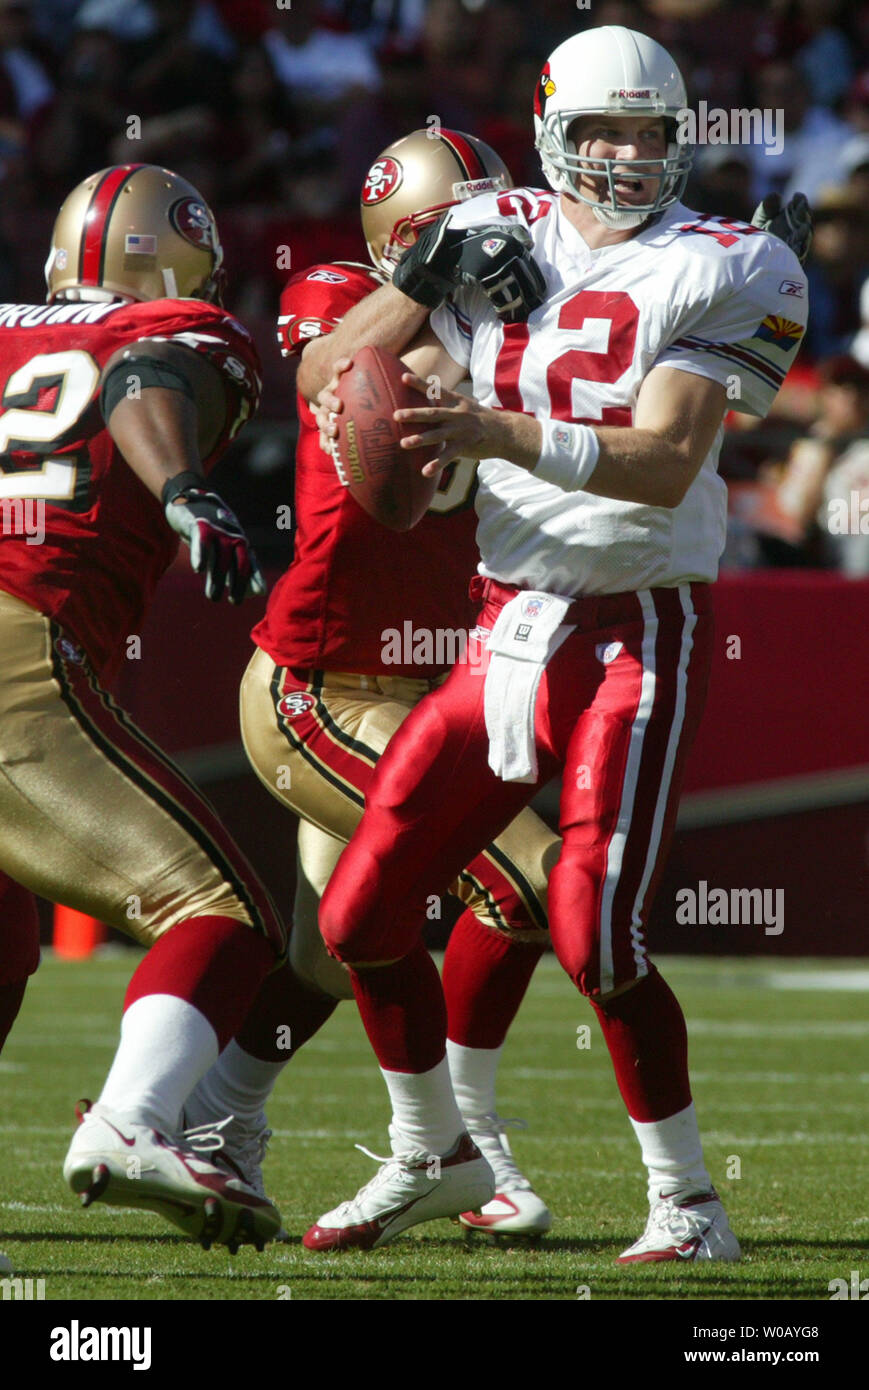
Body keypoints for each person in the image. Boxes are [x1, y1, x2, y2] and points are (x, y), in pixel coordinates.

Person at [301, 25, 809, 1257]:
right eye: (602, 133)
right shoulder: (491, 236)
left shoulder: (724, 262)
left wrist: (495, 432)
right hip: (505, 622)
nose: (628, 157)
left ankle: (686, 1202)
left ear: (680, 136)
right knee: (358, 913)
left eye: (648, 132)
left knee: (591, 926)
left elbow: (665, 461)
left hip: (636, 626)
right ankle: (431, 1151)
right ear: (551, 133)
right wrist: (423, 281)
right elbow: (326, 372)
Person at [183, 129, 560, 1239]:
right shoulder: (345, 293)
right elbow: (336, 376)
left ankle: (208, 1119)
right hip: (320, 685)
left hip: (428, 691)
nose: (499, 233)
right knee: (524, 883)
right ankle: (464, 1151)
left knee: (327, 955)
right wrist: (438, 284)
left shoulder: (523, 322)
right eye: (470, 217)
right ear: (417, 237)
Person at [0, 162, 287, 1252]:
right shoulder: (185, 324)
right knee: (218, 913)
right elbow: (144, 374)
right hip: (22, 648)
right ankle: (129, 1122)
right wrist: (182, 490)